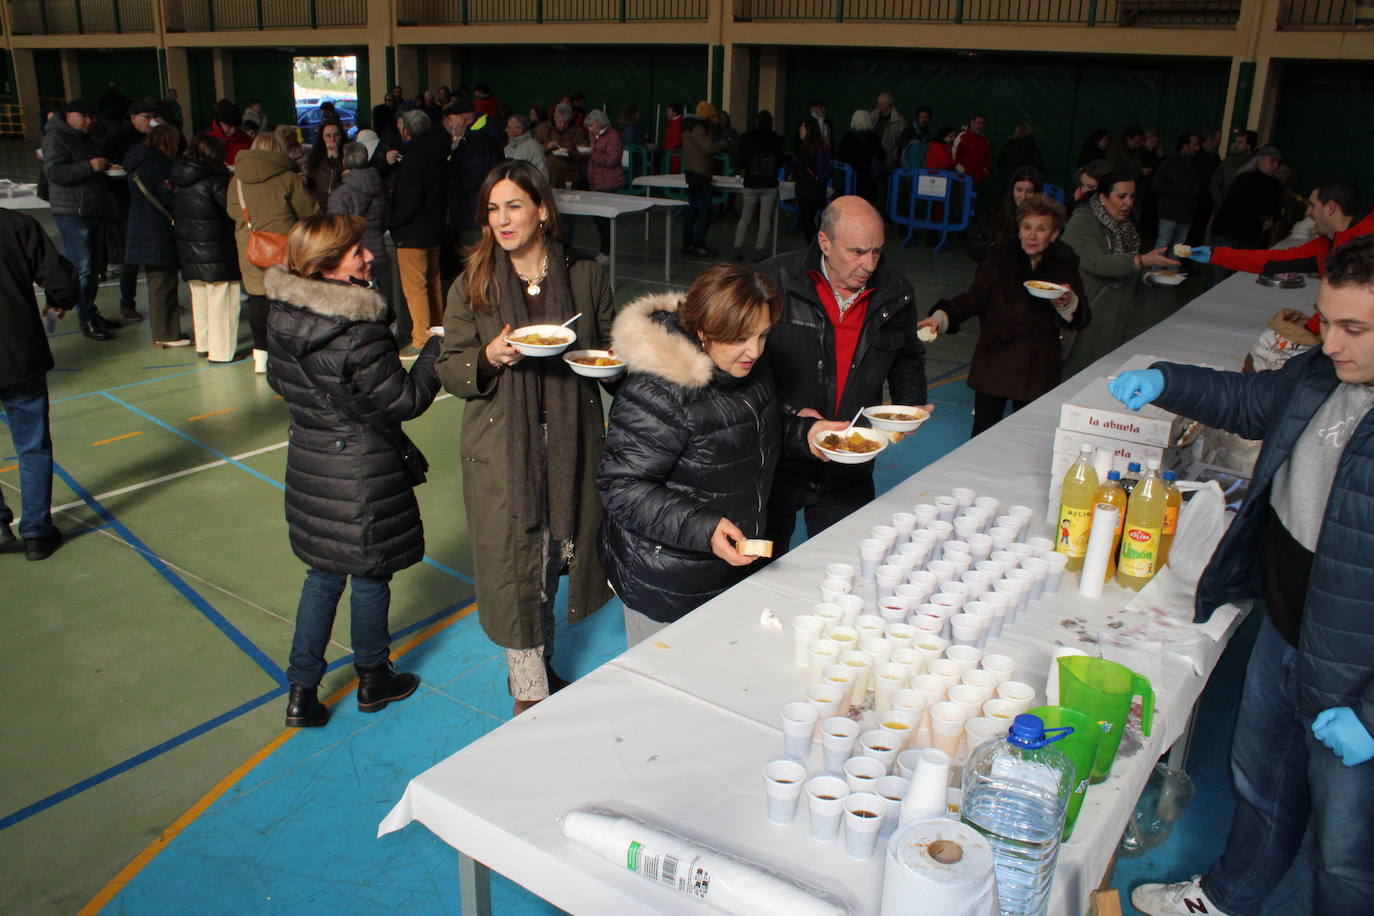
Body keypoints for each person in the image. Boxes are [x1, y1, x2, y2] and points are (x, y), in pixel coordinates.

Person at [1113, 234, 1374, 916]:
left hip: (1357, 672)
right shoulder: (1325, 372)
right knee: (1260, 784)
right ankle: (1228, 895)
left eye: (1353, 327)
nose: (1332, 340)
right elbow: (1252, 401)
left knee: (1348, 852)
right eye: (1326, 320)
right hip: (1288, 628)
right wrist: (1168, 380)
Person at [436, 161, 615, 715]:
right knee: (517, 566)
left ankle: (541, 672)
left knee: (557, 557)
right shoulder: (475, 281)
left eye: (514, 205)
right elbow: (449, 368)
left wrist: (609, 361)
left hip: (572, 441)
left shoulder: (584, 275)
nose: (502, 219)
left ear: (542, 209)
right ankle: (528, 694)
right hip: (501, 447)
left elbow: (612, 345)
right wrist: (488, 357)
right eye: (493, 208)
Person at [598, 266, 849, 644]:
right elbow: (621, 486)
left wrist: (806, 434)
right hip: (666, 582)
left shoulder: (746, 364)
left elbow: (748, 426)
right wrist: (705, 527)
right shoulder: (658, 390)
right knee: (663, 693)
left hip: (728, 566)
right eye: (741, 338)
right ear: (704, 330)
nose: (756, 350)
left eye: (763, 335)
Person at [265, 213, 440, 729]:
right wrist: (434, 348)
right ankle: (372, 678)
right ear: (325, 266)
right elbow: (405, 400)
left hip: (312, 465)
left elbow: (282, 384)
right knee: (369, 575)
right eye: (355, 252)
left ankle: (301, 691)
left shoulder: (281, 314)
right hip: (362, 472)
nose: (368, 256)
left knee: (322, 575)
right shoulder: (358, 330)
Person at [758, 196, 932, 551]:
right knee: (758, 569)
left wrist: (909, 405)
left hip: (850, 465)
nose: (869, 264)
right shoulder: (771, 281)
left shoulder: (896, 293)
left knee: (842, 563)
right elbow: (744, 368)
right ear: (824, 242)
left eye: (877, 252)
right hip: (777, 460)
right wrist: (792, 414)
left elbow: (907, 358)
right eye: (857, 252)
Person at [919, 194, 1089, 436]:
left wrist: (1067, 302)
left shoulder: (1065, 261)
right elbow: (974, 298)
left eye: (1041, 229)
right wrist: (941, 317)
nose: (1031, 235)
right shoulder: (1000, 255)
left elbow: (1081, 316)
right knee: (982, 434)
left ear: (1054, 234)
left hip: (1038, 364)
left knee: (1028, 436)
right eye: (1026, 227)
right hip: (996, 358)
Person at [0, 209, 79, 561]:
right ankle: (36, 533)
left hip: (20, 354)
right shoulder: (17, 225)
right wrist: (60, 302)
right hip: (18, 352)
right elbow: (59, 280)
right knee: (31, 446)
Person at [1060, 172, 1179, 378]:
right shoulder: (1082, 222)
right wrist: (1142, 260)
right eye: (1121, 197)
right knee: (1075, 376)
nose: (1128, 203)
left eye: (1132, 197)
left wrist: (1148, 277)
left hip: (1116, 318)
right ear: (1102, 197)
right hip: (1086, 319)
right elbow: (1098, 263)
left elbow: (1128, 268)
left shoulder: (1126, 227)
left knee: (1102, 374)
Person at [228, 127, 321, 374]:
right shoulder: (288, 179)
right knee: (288, 302)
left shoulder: (236, 181)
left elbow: (232, 211)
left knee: (258, 301)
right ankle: (288, 354)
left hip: (249, 247)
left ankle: (261, 356)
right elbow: (310, 213)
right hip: (284, 249)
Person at [1184, 177, 1374, 281]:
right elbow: (1277, 260)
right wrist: (1216, 254)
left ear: (1331, 207)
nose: (1308, 213)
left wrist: (1313, 327)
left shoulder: (1365, 247)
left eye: (1312, 205)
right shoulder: (1330, 242)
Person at [41, 97, 121, 341]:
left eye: (91, 117)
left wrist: (105, 165)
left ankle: (89, 312)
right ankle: (82, 319)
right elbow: (54, 172)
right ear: (69, 116)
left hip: (92, 208)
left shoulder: (89, 137)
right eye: (84, 117)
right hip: (73, 212)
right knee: (82, 270)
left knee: (93, 268)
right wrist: (90, 166)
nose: (89, 121)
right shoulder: (56, 137)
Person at [171, 133, 241, 362]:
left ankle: (204, 343)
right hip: (217, 250)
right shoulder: (216, 180)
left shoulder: (181, 181)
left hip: (188, 250)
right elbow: (232, 211)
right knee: (223, 302)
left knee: (199, 299)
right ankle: (221, 352)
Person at [388, 109, 448, 357]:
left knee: (415, 288)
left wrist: (392, 221)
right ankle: (438, 333)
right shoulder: (439, 155)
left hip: (412, 233)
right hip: (435, 229)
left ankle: (421, 339)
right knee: (433, 285)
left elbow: (409, 202)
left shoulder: (411, 160)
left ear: (405, 130)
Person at [123, 123, 187, 347]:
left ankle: (165, 332)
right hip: (158, 231)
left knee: (158, 283)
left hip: (142, 230)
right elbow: (169, 198)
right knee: (163, 284)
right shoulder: (158, 165)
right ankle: (166, 334)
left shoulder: (137, 162)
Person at [327, 142, 390, 311]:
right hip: (378, 248)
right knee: (380, 298)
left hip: (353, 255)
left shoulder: (341, 194)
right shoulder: (379, 185)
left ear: (345, 161)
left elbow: (338, 229)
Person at [1208, 144, 1285, 252]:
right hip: (1229, 233)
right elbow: (1248, 204)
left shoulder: (1274, 183)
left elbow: (1275, 205)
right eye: (1272, 161)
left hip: (1250, 236)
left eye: (1278, 163)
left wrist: (1272, 216)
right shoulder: (1245, 178)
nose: (1275, 166)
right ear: (1260, 160)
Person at [733, 109, 785, 262]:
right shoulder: (776, 140)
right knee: (764, 220)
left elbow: (741, 160)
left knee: (745, 217)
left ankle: (737, 248)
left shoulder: (747, 138)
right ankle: (758, 250)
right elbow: (781, 161)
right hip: (769, 184)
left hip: (751, 183)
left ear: (756, 121)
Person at [967, 165, 1043, 262]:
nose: (1023, 196)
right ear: (1012, 191)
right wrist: (990, 248)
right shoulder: (997, 217)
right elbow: (973, 242)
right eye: (1019, 190)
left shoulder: (1046, 222)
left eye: (1029, 191)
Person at [681, 100, 728, 256]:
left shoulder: (687, 127)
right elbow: (709, 148)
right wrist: (725, 143)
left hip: (691, 173)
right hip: (701, 175)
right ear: (707, 116)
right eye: (713, 117)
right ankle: (699, 243)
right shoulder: (699, 129)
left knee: (691, 210)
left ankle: (687, 242)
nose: (716, 120)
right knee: (705, 211)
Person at [584, 109, 625, 264]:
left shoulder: (613, 136)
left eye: (591, 125)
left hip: (609, 183)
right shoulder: (595, 136)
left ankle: (607, 250)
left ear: (599, 123)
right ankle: (604, 249)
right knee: (598, 218)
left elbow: (613, 160)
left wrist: (592, 153)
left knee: (605, 219)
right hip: (596, 182)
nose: (589, 129)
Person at [1151, 130, 1202, 250]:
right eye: (1195, 145)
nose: (1197, 148)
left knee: (1178, 248)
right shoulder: (1169, 163)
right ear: (1185, 146)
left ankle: (1171, 269)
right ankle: (1155, 269)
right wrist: (1176, 189)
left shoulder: (1194, 164)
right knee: (1163, 244)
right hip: (1170, 212)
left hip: (1185, 213)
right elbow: (1156, 185)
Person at [790, 117, 832, 245]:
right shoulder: (822, 146)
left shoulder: (804, 148)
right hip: (819, 189)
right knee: (811, 220)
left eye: (802, 128)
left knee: (807, 222)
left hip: (806, 190)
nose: (800, 131)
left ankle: (813, 249)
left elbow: (800, 168)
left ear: (807, 130)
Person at [533, 102, 586, 191]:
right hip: (547, 174)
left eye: (566, 123)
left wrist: (569, 152)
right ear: (555, 117)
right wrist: (546, 147)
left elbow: (582, 155)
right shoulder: (543, 128)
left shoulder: (577, 131)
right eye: (560, 122)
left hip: (569, 177)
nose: (562, 125)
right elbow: (533, 150)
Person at [837, 109, 884, 207]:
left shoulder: (847, 137)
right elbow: (882, 155)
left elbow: (840, 156)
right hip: (868, 181)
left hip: (850, 179)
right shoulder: (873, 137)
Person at [1209, 128, 1256, 211]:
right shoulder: (1228, 162)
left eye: (1240, 142)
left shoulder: (1255, 165)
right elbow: (1215, 183)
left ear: (1249, 145)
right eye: (1236, 142)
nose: (1236, 145)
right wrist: (1220, 203)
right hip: (1223, 210)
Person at [303, 120, 346, 210]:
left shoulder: (347, 153)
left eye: (336, 135)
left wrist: (337, 157)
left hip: (340, 204)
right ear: (322, 137)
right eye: (328, 136)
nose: (332, 140)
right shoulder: (315, 156)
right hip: (320, 205)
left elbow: (349, 176)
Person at [996, 123, 1044, 189]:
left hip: (1008, 185)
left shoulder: (1007, 146)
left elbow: (999, 163)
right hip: (1028, 186)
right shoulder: (1035, 149)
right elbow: (1039, 167)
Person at [869, 93, 907, 176]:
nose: (876, 105)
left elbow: (902, 144)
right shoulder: (873, 115)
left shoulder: (899, 122)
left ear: (887, 105)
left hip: (889, 162)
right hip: (872, 159)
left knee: (888, 186)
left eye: (879, 103)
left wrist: (893, 157)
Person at [208, 100, 251, 165]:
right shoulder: (207, 139)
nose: (233, 131)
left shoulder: (245, 139)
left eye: (236, 126)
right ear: (220, 122)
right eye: (228, 126)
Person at [953, 113, 991, 186]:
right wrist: (963, 173)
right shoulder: (962, 137)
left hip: (978, 181)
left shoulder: (984, 141)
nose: (981, 126)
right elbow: (954, 155)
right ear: (972, 123)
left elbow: (987, 159)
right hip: (962, 180)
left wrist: (984, 172)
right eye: (978, 123)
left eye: (983, 123)